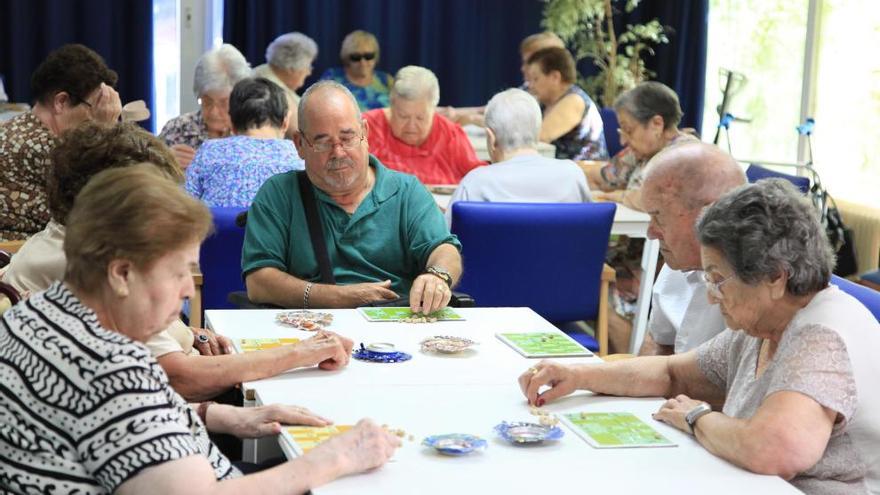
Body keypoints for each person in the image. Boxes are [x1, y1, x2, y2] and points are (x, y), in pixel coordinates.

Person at [0, 163, 399, 493]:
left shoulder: (35, 312)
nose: (188, 290)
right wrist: (337, 458)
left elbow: (116, 424)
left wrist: (218, 415)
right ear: (121, 273)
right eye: (177, 273)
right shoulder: (111, 368)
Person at [519, 179, 880, 493]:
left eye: (717, 279)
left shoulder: (822, 333)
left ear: (775, 276)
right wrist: (579, 374)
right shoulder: (765, 326)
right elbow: (672, 373)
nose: (710, 295)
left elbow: (774, 450)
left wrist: (697, 418)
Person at [2, 121, 353, 402]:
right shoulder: (81, 265)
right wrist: (300, 353)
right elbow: (178, 379)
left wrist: (188, 335)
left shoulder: (64, 241)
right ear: (114, 200)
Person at [243, 81, 462, 314]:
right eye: (323, 142)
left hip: (395, 326)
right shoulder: (280, 193)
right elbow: (258, 283)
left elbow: (444, 249)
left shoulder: (405, 191)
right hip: (309, 329)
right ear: (300, 144)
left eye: (347, 138)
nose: (338, 152)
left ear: (365, 133)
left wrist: (437, 276)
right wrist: (340, 298)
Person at [632, 142, 746, 355]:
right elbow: (658, 341)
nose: (651, 232)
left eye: (658, 217)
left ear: (709, 215)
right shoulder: (678, 261)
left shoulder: (755, 289)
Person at [0, 43, 121, 241]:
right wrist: (105, 129)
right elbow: (105, 210)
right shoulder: (44, 148)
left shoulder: (17, 128)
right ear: (61, 102)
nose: (96, 118)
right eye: (95, 108)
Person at [446, 88, 591, 226]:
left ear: (491, 138)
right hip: (562, 252)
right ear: (537, 131)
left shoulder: (475, 183)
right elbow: (589, 229)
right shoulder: (573, 175)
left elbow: (444, 242)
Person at [185, 77, 304, 208]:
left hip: (219, 228)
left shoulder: (208, 151)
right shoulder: (301, 156)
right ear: (286, 122)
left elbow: (185, 205)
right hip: (280, 228)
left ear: (232, 123)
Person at [584, 81, 698, 211]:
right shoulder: (640, 152)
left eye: (628, 130)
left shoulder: (686, 156)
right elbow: (601, 179)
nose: (622, 142)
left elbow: (655, 200)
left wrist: (611, 196)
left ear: (657, 124)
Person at [362, 66, 485, 185]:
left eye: (420, 118)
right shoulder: (366, 128)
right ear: (391, 105)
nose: (411, 126)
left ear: (434, 109)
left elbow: (479, 178)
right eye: (403, 116)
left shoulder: (450, 134)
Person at [441, 32, 565, 127]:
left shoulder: (571, 99)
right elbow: (491, 110)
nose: (523, 68)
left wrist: (473, 119)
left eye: (529, 63)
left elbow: (533, 134)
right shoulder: (529, 90)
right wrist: (449, 112)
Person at [159, 44, 251, 169]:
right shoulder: (177, 129)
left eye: (224, 103)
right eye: (207, 101)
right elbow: (149, 177)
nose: (213, 112)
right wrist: (165, 162)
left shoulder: (252, 133)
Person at [524, 46, 607, 161]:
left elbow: (540, 138)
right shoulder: (543, 102)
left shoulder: (574, 100)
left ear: (555, 77)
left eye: (535, 79)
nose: (530, 86)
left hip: (584, 174)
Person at [252, 32, 318, 132]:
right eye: (308, 66)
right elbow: (300, 131)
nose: (309, 72)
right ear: (292, 68)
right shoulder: (270, 88)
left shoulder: (263, 72)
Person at [319, 30, 393, 111]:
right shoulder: (332, 78)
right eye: (356, 57)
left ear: (375, 57)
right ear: (347, 58)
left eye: (368, 56)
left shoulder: (386, 80)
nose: (363, 62)